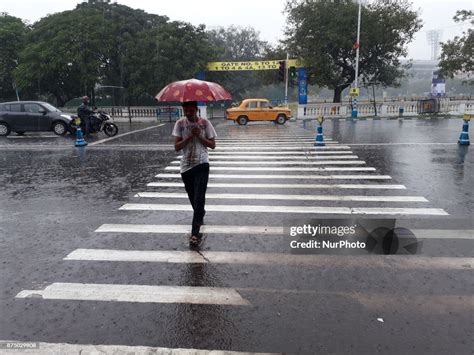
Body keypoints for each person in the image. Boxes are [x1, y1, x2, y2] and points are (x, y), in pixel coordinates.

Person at [172, 101, 216, 248]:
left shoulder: (205, 123)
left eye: (192, 110)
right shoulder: (180, 124)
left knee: (199, 198)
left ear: (197, 110)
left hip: (202, 164)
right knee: (193, 198)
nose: (189, 113)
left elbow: (212, 145)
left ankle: (194, 234)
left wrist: (200, 136)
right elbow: (177, 147)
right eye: (186, 111)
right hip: (186, 167)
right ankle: (200, 212)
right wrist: (190, 136)